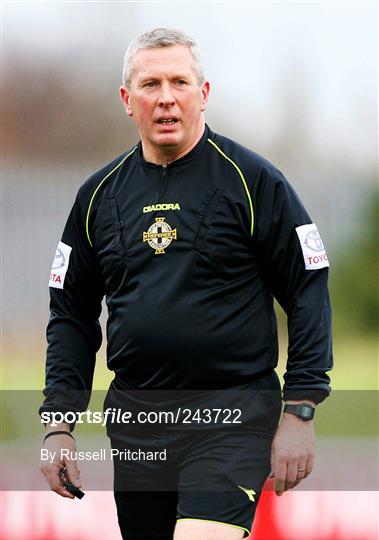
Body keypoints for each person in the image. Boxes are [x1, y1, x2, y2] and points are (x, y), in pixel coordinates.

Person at [39, 27, 333, 540]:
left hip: (233, 416)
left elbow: (308, 288)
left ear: (204, 93)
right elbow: (71, 315)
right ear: (128, 100)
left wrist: (300, 410)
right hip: (138, 425)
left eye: (180, 82)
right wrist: (59, 424)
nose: (167, 97)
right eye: (151, 84)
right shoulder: (97, 198)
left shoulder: (254, 181)